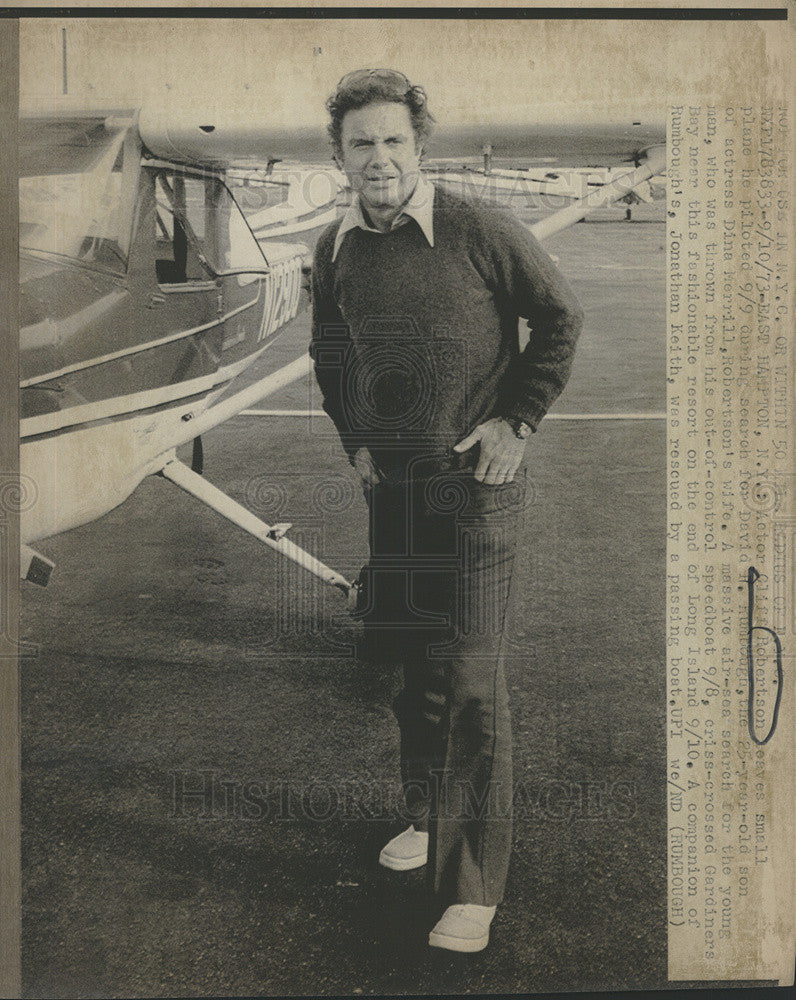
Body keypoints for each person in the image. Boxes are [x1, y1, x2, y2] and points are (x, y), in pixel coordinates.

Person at [309, 69, 584, 953]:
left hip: (474, 495)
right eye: (361, 144)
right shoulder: (336, 245)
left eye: (393, 141)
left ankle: (473, 887)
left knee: (469, 682)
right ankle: (430, 816)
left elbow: (561, 317)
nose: (378, 158)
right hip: (393, 495)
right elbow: (330, 348)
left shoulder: (478, 228)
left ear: (419, 147)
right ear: (340, 156)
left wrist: (517, 419)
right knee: (410, 672)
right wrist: (355, 436)